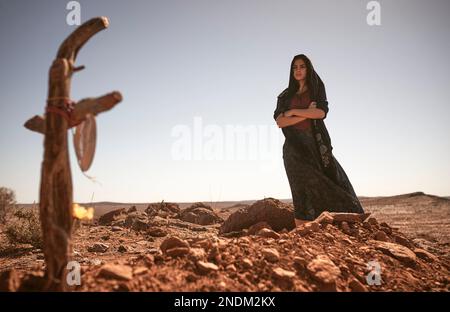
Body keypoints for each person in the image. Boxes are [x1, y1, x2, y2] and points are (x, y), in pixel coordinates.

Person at [274, 54, 364, 227]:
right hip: (294, 147)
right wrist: (304, 111)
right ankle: (301, 231)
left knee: (332, 179)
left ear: (308, 69)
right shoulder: (285, 96)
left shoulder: (316, 89)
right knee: (300, 187)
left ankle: (348, 221)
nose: (298, 70)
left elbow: (321, 113)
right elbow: (280, 122)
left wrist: (293, 112)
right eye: (295, 67)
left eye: (302, 66)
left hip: (317, 145)